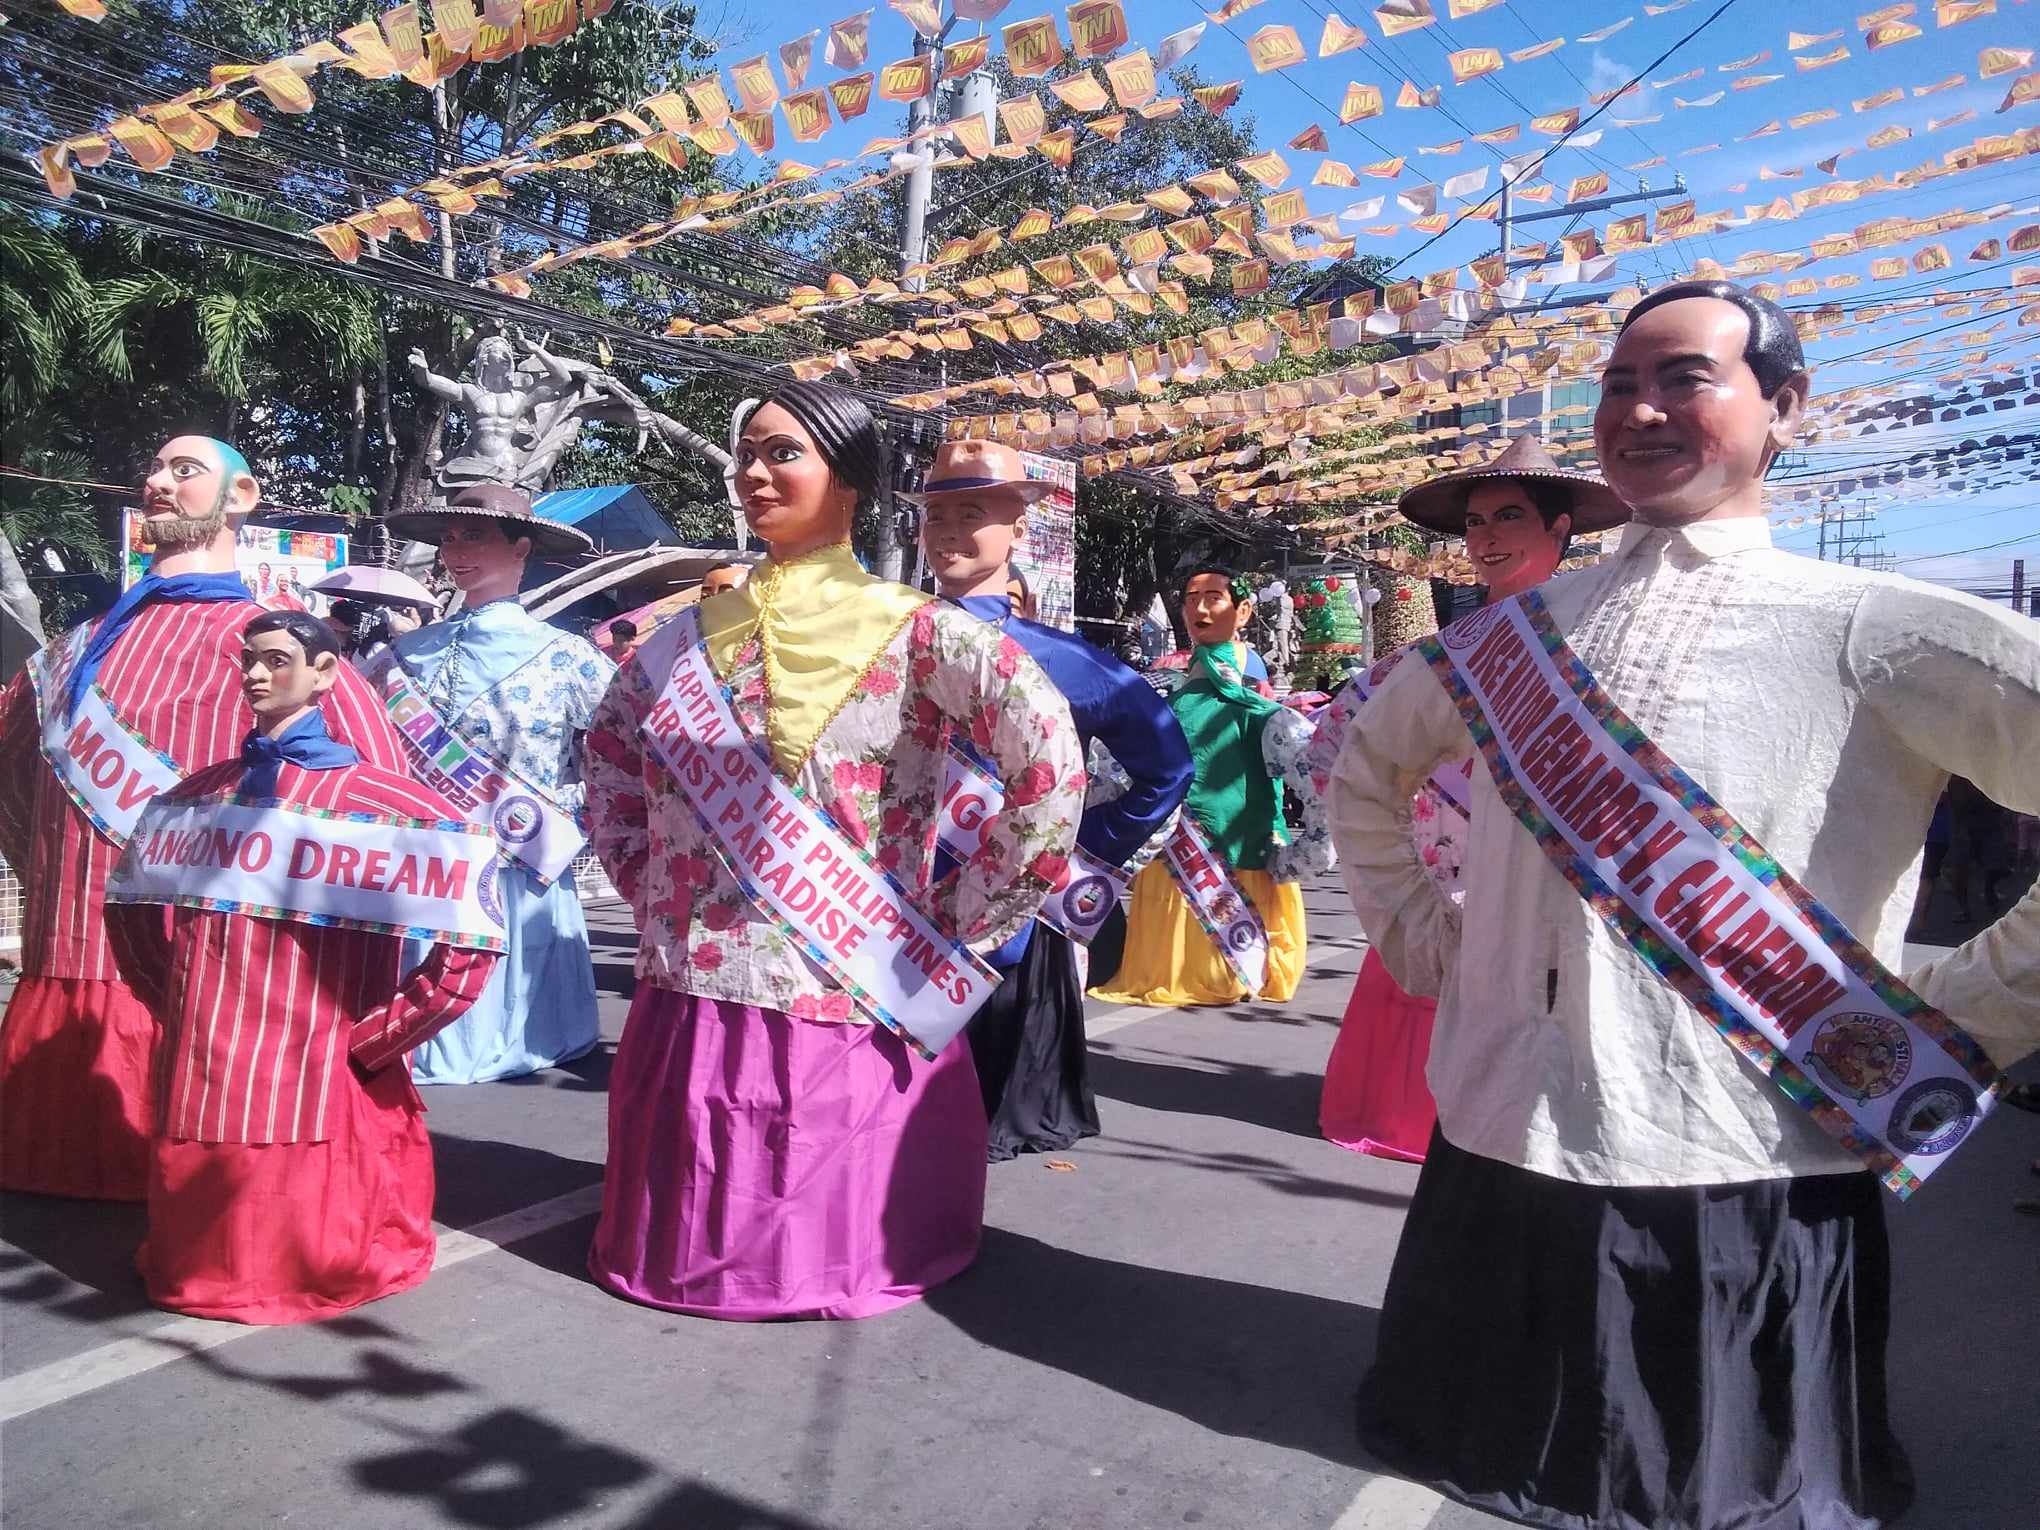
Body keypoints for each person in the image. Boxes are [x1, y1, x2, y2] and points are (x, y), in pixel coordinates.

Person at [1330, 280, 2040, 1530]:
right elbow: (1363, 771)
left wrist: (1968, 1004)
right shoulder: (1509, 637)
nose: (1642, 409)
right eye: (1619, 384)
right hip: (1507, 1103)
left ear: (1786, 409)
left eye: (1685, 379)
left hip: (1741, 1136)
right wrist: (1425, 933)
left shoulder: (1869, 627)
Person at [581, 383, 1085, 1320]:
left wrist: (955, 921)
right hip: (691, 984)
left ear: (850, 479)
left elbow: (1049, 771)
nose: (755, 474)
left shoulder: (925, 633)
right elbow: (609, 759)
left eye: (784, 453)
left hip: (855, 976)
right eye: (748, 456)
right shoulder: (676, 641)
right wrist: (653, 890)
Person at [0, 435, 405, 1201]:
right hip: (69, 968)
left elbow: (372, 796)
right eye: (154, 467)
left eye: (185, 470)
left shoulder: (279, 648)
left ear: (242, 496)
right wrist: (51, 876)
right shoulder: (71, 652)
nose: (157, 481)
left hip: (207, 987)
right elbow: (16, 782)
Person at [104, 611, 500, 1322]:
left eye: (277, 660)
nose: (256, 674)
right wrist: (181, 1001)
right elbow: (126, 908)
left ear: (325, 674)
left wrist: (381, 1038)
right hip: (214, 1063)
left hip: (320, 1066)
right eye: (249, 661)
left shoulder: (387, 805)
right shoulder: (194, 797)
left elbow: (473, 938)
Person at [1313, 437, 1629, 1163]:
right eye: (1476, 523)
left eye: (1509, 517)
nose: (1485, 538)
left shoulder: (1601, 647)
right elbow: (1339, 743)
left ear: (1559, 530)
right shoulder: (1437, 659)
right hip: (1449, 878)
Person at [915, 439, 1193, 1161]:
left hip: (1010, 905)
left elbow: (1166, 765)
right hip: (903, 895)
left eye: (969, 513)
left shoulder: (1069, 660)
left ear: (1017, 528)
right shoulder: (890, 639)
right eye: (934, 514)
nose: (946, 531)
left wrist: (1084, 844)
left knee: (975, 1110)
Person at [364, 483, 614, 1085]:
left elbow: (623, 744)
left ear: (521, 547)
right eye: (449, 537)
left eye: (474, 535)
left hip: (523, 850)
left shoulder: (564, 655)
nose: (456, 550)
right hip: (429, 855)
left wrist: (580, 809)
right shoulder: (406, 654)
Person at [1090, 566, 1326, 1009]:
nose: (1199, 607)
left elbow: (1318, 782)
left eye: (1213, 597)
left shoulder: (1259, 710)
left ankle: (1235, 963)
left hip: (1241, 847)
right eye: (1191, 597)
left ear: (1243, 611)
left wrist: (1306, 853)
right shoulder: (1162, 704)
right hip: (1175, 855)